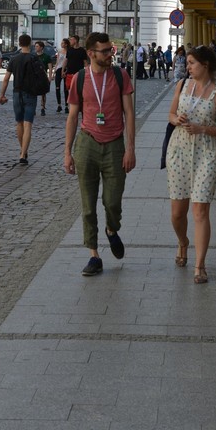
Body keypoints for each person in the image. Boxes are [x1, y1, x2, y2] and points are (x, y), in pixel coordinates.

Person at [64, 32, 136, 276]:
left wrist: (130, 148)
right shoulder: (80, 79)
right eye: (104, 51)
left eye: (110, 50)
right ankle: (93, 255)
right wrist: (67, 152)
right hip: (87, 144)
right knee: (88, 204)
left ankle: (111, 229)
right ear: (91, 53)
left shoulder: (120, 75)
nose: (109, 55)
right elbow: (72, 116)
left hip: (114, 145)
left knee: (112, 201)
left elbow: (129, 113)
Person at [166, 45, 216, 284]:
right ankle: (183, 242)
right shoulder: (182, 85)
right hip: (179, 151)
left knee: (200, 211)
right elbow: (171, 115)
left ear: (206, 65)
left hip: (206, 153)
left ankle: (199, 265)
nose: (188, 67)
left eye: (192, 63)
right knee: (177, 213)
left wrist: (203, 128)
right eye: (188, 63)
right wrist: (177, 119)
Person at [0, 34, 37, 165]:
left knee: (19, 123)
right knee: (28, 124)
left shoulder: (14, 59)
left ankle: (23, 150)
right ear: (30, 43)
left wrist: (2, 95)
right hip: (31, 93)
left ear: (19, 44)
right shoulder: (34, 58)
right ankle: (23, 154)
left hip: (17, 93)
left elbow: (6, 79)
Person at [64, 35, 88, 112]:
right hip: (69, 73)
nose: (70, 41)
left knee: (79, 90)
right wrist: (63, 69)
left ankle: (79, 105)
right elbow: (66, 60)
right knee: (70, 90)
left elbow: (85, 62)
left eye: (71, 40)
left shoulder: (82, 51)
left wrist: (87, 71)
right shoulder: (69, 50)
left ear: (76, 40)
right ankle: (71, 106)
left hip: (79, 73)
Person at [34, 40, 52, 115]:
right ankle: (33, 108)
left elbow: (50, 68)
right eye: (35, 46)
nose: (35, 48)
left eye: (37, 46)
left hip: (43, 77)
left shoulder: (46, 57)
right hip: (34, 77)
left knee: (43, 93)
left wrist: (50, 77)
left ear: (41, 48)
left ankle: (43, 108)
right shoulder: (33, 56)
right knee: (33, 93)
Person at [53, 38, 70, 113]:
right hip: (59, 69)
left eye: (63, 43)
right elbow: (57, 62)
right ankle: (59, 105)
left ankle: (66, 105)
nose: (61, 44)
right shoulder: (59, 51)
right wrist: (55, 70)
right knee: (57, 87)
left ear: (66, 44)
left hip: (66, 69)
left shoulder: (69, 51)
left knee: (66, 88)